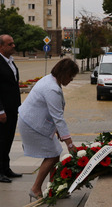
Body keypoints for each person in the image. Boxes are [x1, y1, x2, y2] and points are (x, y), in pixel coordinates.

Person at [18, 58, 79, 199]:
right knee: (52, 155)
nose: (71, 80)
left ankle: (54, 187)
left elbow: (54, 114)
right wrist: (69, 144)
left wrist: (59, 132)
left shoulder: (51, 80)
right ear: (64, 73)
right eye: (71, 76)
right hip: (32, 124)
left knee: (55, 152)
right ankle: (36, 189)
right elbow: (58, 117)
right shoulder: (52, 88)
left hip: (33, 120)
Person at [0, 34, 23, 182]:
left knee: (8, 139)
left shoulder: (10, 62)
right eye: (10, 44)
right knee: (0, 140)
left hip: (13, 108)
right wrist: (0, 110)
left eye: (13, 43)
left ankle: (6, 168)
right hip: (2, 110)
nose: (13, 46)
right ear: (1, 46)